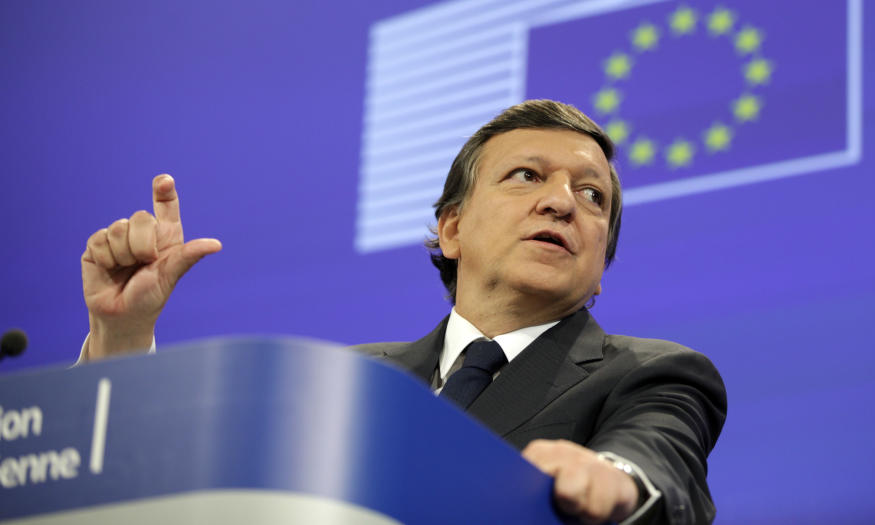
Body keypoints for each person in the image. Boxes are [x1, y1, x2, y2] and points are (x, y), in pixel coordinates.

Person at [79, 100, 726, 524]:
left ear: (600, 271)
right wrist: (122, 332)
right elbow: (177, 497)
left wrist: (612, 481)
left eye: (592, 195)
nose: (563, 202)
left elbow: (656, 462)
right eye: (527, 175)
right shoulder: (344, 383)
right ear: (451, 229)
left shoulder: (655, 373)